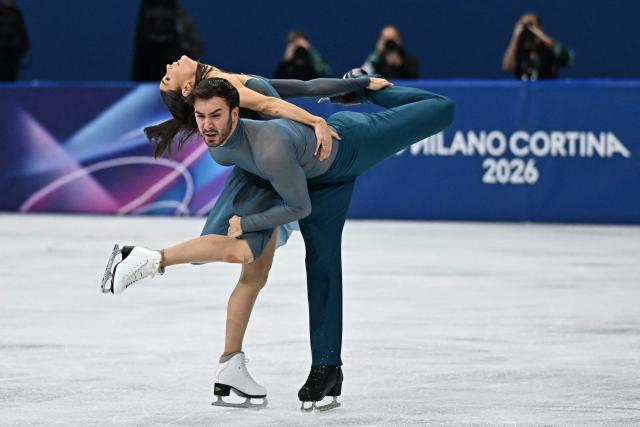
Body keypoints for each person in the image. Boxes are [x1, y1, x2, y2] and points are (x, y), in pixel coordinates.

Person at [105, 73, 453, 409]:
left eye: (215, 115)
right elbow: (285, 118)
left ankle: (370, 90)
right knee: (295, 263)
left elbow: (294, 98)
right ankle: (321, 368)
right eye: (201, 117)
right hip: (298, 179)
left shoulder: (250, 115)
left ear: (235, 111)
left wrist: (361, 87)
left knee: (441, 109)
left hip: (346, 147)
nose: (207, 125)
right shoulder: (220, 143)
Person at [132, 0, 202, 81]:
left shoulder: (178, 13)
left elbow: (195, 46)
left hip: (177, 73)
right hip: (148, 71)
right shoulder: (146, 10)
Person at [502, 12, 573, 80]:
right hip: (524, 91)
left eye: (531, 25)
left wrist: (541, 35)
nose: (528, 30)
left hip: (547, 91)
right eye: (524, 25)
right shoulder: (519, 50)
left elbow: (567, 59)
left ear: (540, 28)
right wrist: (515, 37)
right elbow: (507, 67)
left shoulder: (547, 49)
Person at [0, 0, 30, 81]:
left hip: (12, 61)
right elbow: (25, 41)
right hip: (12, 62)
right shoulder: (16, 13)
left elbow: (24, 40)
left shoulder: (16, 14)